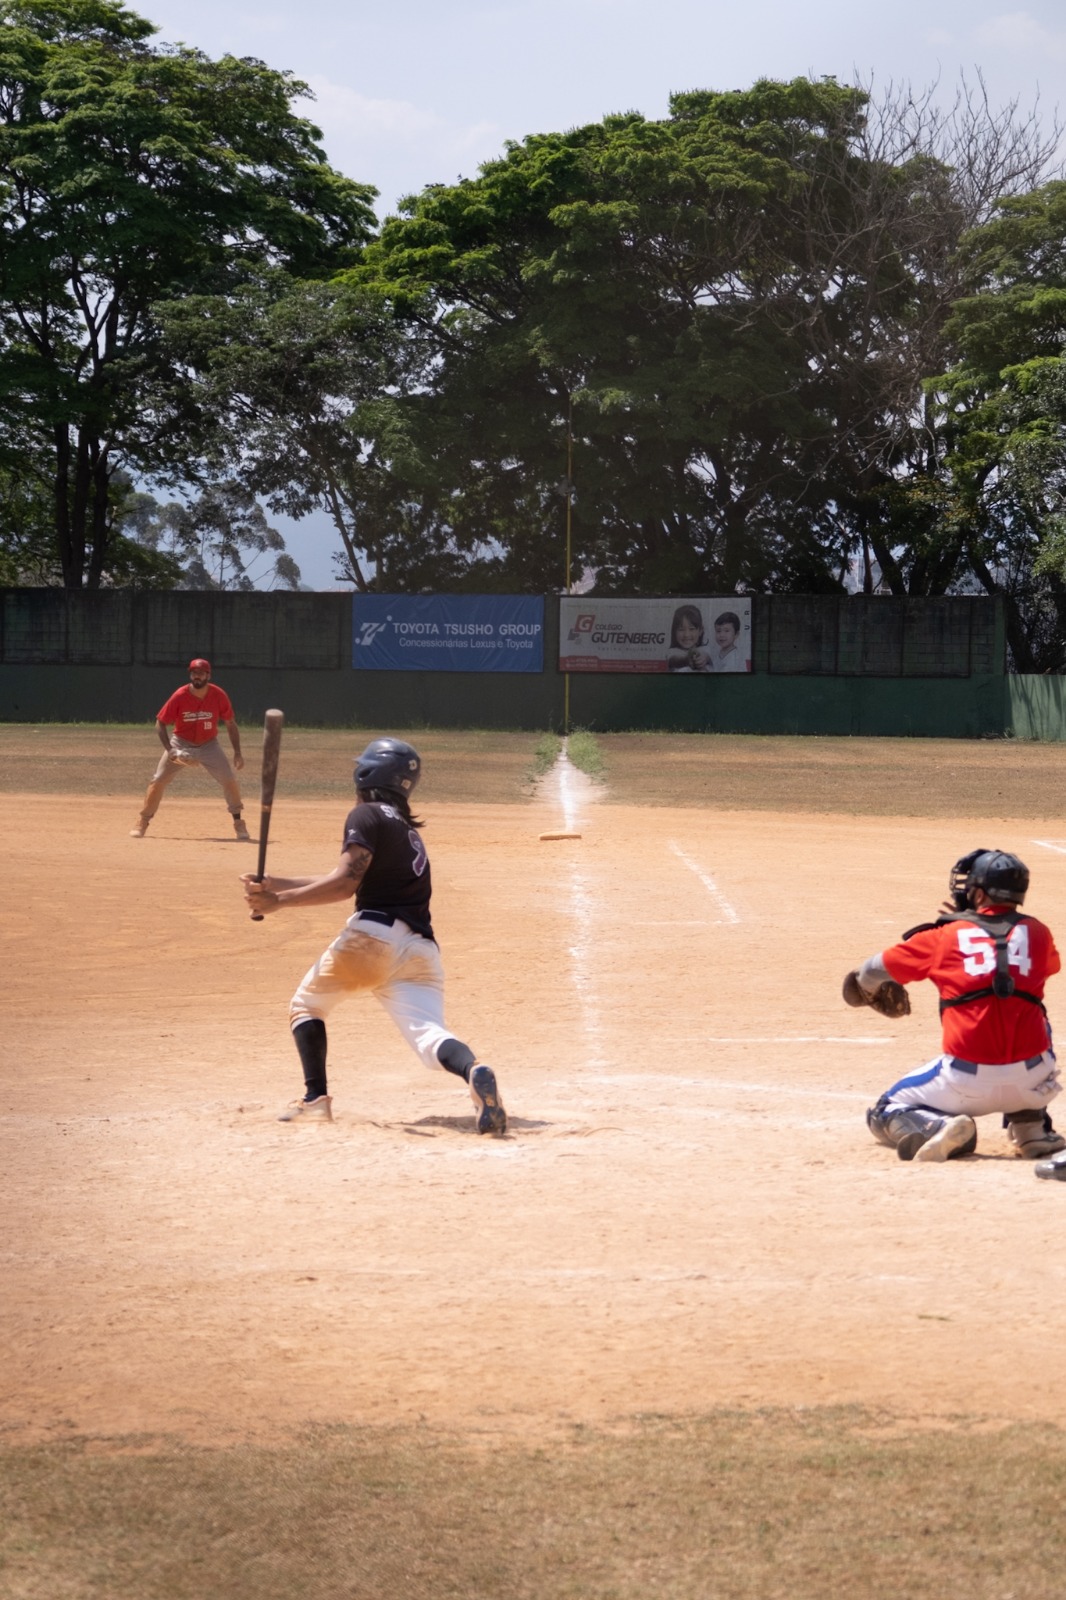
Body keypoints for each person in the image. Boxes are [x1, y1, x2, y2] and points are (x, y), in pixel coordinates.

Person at [241, 736, 508, 1136]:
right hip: (419, 951)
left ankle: (315, 1100)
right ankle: (473, 1070)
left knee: (307, 1006)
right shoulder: (405, 829)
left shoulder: (365, 814)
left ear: (365, 773)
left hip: (373, 940)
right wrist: (276, 884)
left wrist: (279, 901)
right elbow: (347, 877)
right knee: (429, 1036)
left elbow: (345, 883)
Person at [853, 848, 1064, 1163]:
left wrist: (859, 990)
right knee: (1029, 1012)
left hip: (966, 1083)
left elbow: (869, 973)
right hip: (1035, 1082)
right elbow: (1033, 963)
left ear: (978, 893)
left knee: (885, 1109)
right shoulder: (1039, 933)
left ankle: (940, 1126)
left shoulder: (943, 936)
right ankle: (1033, 1130)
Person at [130, 658, 250, 839]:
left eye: (201, 673)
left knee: (228, 779)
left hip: (209, 745)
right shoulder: (180, 695)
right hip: (181, 742)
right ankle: (143, 821)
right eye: (194, 672)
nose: (197, 676)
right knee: (158, 780)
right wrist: (170, 749)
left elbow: (230, 723)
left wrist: (238, 753)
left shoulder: (218, 695)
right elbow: (160, 723)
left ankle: (239, 823)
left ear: (208, 675)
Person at [666, 605, 712, 672]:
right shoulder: (672, 651)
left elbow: (713, 656)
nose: (686, 635)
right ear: (674, 632)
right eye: (681, 629)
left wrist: (706, 657)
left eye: (692, 629)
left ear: (701, 630)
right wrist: (685, 660)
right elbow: (673, 660)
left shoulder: (707, 650)